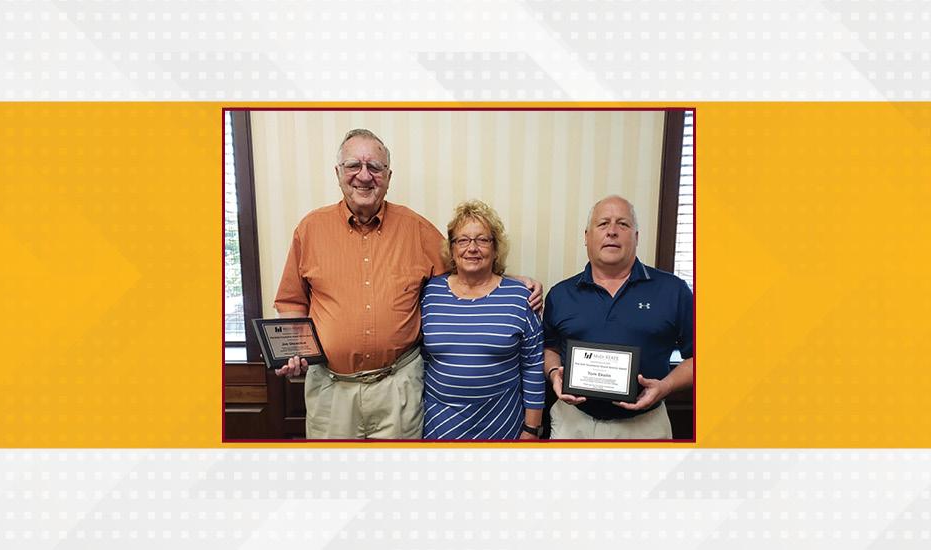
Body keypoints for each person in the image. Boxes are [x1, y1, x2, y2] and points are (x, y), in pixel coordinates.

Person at [273, 129, 542, 439]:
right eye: (353, 166)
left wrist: (510, 284)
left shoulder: (415, 228)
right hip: (333, 390)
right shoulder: (310, 229)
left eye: (375, 167)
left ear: (388, 176)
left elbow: (466, 262)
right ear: (338, 173)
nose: (364, 176)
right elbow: (292, 301)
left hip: (397, 389)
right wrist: (291, 351)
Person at [542, 195, 694, 439]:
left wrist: (665, 387)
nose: (612, 231)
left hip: (645, 427)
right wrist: (553, 374)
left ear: (636, 237)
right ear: (586, 236)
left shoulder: (674, 291)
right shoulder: (561, 294)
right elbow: (549, 347)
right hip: (572, 423)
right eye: (603, 224)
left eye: (622, 224)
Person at [419, 200, 545, 440]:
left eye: (483, 240)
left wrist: (531, 429)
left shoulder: (520, 297)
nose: (472, 248)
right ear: (452, 249)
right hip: (439, 423)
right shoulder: (430, 292)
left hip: (501, 423)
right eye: (463, 240)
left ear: (495, 248)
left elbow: (532, 367)